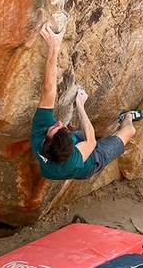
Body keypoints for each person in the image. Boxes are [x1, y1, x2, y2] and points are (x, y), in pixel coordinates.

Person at [30, 23, 137, 180]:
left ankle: (111, 129)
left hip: (52, 170)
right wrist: (80, 105)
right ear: (73, 148)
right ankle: (128, 117)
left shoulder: (38, 137)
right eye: (63, 128)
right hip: (91, 162)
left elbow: (48, 90)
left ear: (45, 142)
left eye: (54, 128)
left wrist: (53, 48)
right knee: (129, 131)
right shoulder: (73, 161)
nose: (59, 122)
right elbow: (91, 142)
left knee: (88, 133)